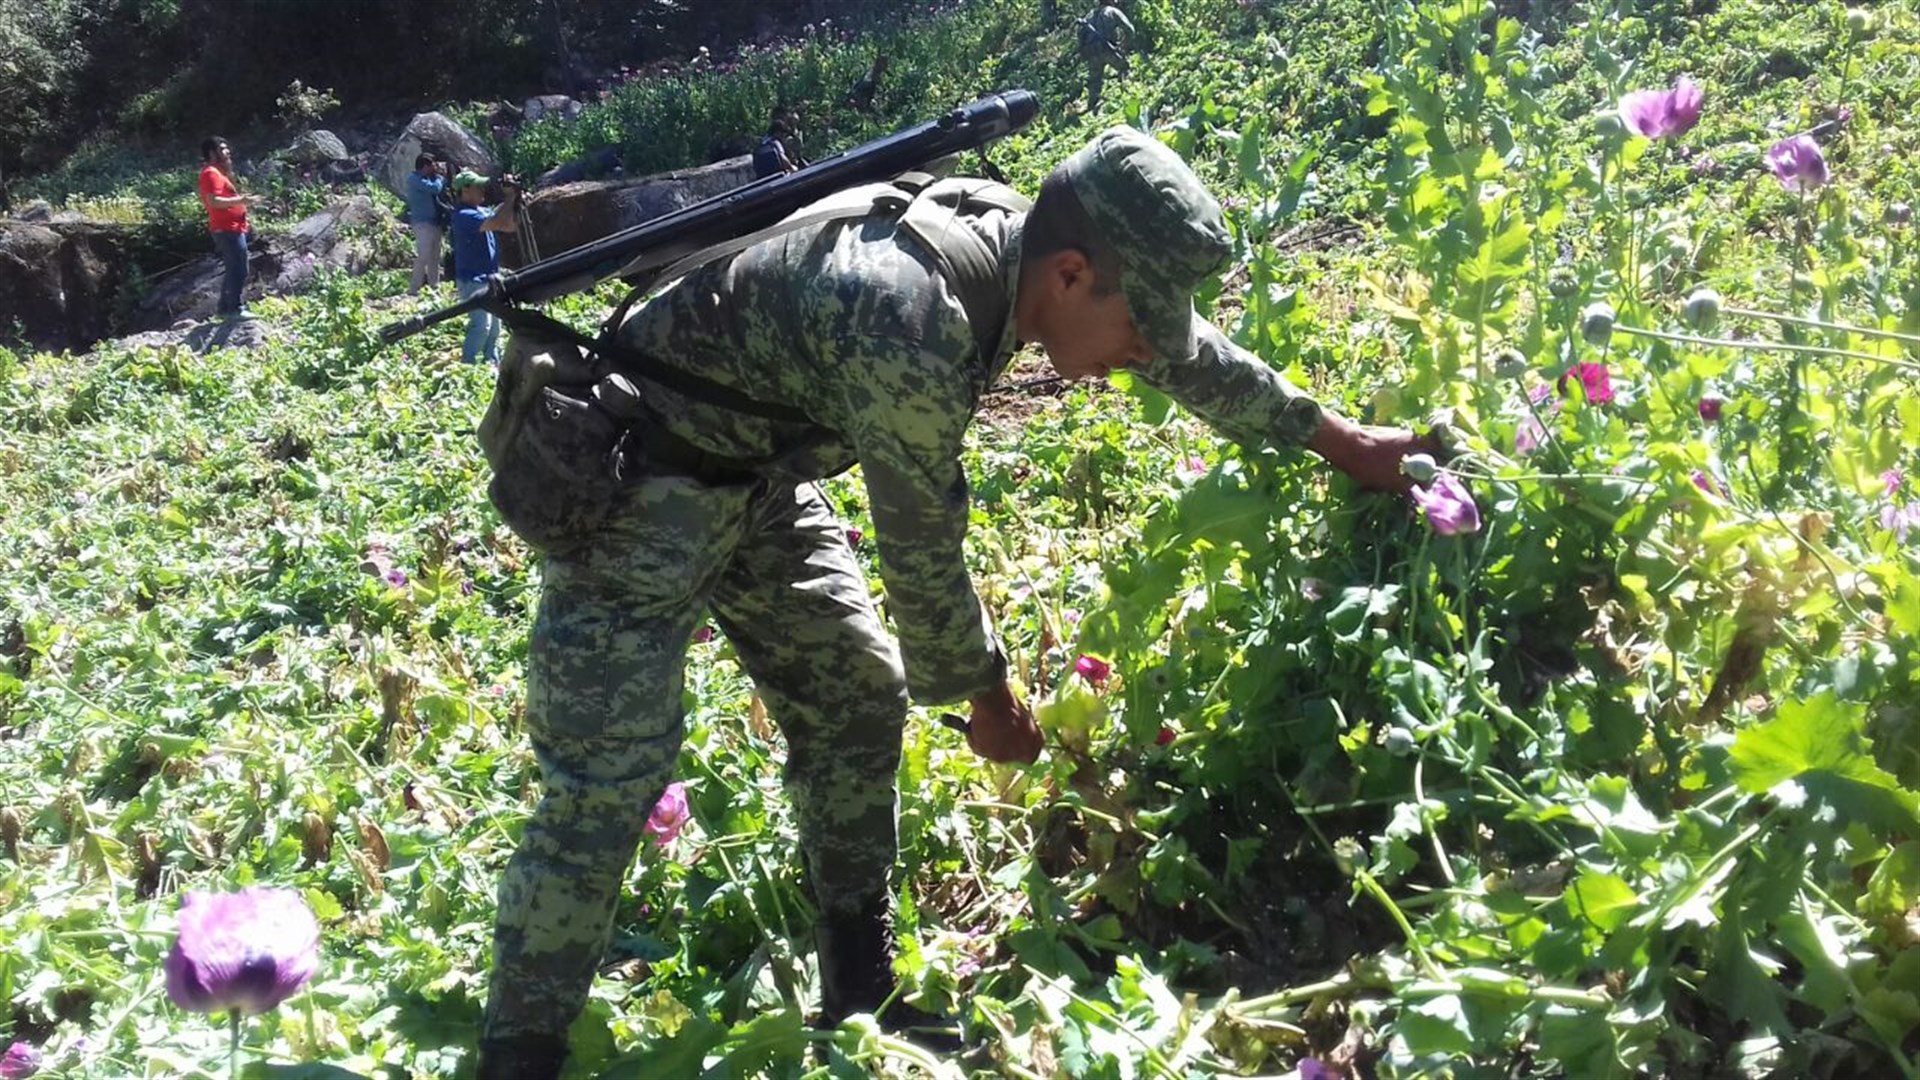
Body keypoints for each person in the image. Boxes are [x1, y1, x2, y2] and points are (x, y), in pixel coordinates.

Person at [475, 126, 1437, 1078]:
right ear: (1068, 276)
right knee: (609, 777)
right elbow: (921, 551)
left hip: (754, 471)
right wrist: (987, 696)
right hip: (636, 479)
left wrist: (1341, 441)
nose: (1139, 352)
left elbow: (1185, 355)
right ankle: (519, 1055)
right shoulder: (911, 320)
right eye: (1138, 323)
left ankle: (859, 989)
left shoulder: (1018, 251)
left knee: (854, 692)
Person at [448, 169, 520, 366]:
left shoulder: (482, 211)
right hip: (473, 279)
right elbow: (497, 221)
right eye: (477, 186)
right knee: (481, 326)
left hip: (490, 277)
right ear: (465, 190)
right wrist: (510, 198)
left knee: (495, 328)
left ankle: (491, 364)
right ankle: (467, 365)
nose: (482, 190)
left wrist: (516, 202)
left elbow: (508, 225)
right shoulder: (463, 215)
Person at [196, 137, 261, 318]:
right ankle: (234, 308)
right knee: (240, 269)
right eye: (223, 149)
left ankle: (225, 309)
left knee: (235, 268)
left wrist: (244, 203)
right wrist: (242, 200)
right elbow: (213, 201)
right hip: (227, 230)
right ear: (212, 153)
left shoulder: (217, 173)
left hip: (232, 228)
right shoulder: (211, 173)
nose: (228, 152)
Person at [1078, 2, 1136, 110]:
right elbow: (1130, 29)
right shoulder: (1112, 11)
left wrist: (1083, 53)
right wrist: (1124, 45)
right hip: (1108, 50)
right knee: (1125, 67)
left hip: (1092, 53)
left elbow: (1080, 35)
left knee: (1095, 81)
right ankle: (1127, 91)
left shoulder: (1089, 15)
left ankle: (1092, 106)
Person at [405, 155, 449, 295]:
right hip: (422, 222)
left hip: (435, 221)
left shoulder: (430, 178)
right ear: (424, 166)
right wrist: (440, 178)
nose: (434, 169)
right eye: (431, 166)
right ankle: (414, 287)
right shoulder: (414, 180)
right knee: (423, 255)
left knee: (435, 256)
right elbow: (435, 189)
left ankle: (434, 286)